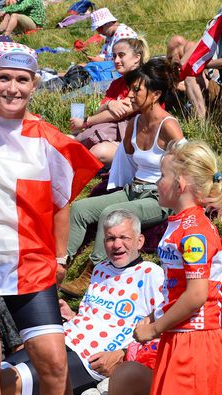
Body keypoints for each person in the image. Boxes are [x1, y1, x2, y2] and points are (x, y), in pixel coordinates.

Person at [0, 42, 102, 395]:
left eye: (22, 79)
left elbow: (62, 203)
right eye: (3, 78)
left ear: (34, 84)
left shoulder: (50, 141)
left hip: (29, 265)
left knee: (54, 363)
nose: (12, 88)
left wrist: (61, 257)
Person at [0, 209, 165, 395]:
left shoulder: (151, 274)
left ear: (139, 241)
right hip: (66, 338)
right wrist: (73, 315)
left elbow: (163, 327)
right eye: (110, 238)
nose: (116, 244)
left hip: (89, 359)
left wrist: (123, 352)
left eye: (124, 238)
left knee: (7, 382)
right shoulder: (101, 269)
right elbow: (104, 315)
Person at [60, 57, 184, 297]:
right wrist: (114, 187)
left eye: (137, 90)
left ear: (155, 94)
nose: (130, 95)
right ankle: (60, 265)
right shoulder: (137, 121)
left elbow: (189, 161)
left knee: (110, 214)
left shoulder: (169, 125)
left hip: (158, 198)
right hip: (134, 190)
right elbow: (124, 158)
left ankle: (94, 271)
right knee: (80, 209)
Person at [133, 140, 222, 395]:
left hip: (195, 341)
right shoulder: (181, 224)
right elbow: (177, 287)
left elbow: (195, 295)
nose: (156, 183)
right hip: (180, 334)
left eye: (161, 176)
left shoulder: (194, 231)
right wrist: (156, 316)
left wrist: (155, 329)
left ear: (179, 184)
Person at [70, 36, 149, 166]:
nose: (116, 60)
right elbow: (100, 110)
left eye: (121, 55)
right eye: (114, 56)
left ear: (137, 58)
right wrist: (110, 104)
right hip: (120, 136)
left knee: (97, 152)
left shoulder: (144, 80)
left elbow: (121, 112)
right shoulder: (117, 83)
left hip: (142, 139)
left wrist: (85, 122)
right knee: (78, 144)